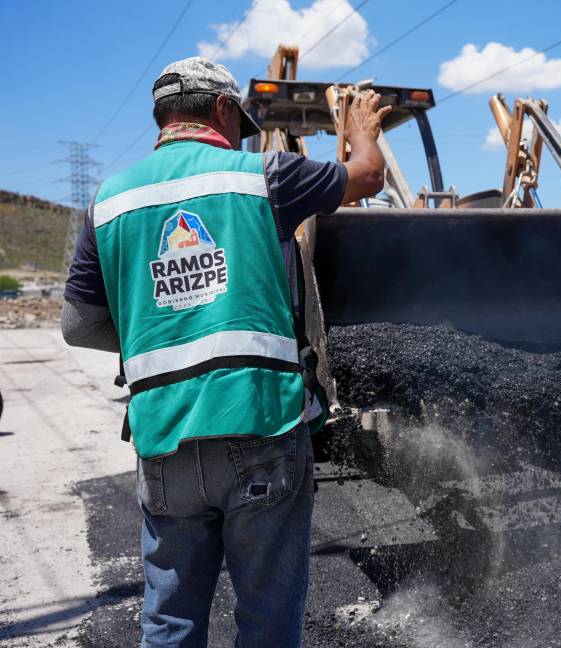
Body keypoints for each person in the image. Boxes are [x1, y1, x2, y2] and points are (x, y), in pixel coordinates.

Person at [61, 56, 390, 647]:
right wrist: (361, 131)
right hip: (260, 427)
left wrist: (161, 329)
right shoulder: (264, 176)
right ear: (220, 110)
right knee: (266, 620)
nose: (242, 133)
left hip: (163, 444)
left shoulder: (106, 205)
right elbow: (366, 178)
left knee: (170, 621)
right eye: (239, 120)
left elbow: (78, 325)